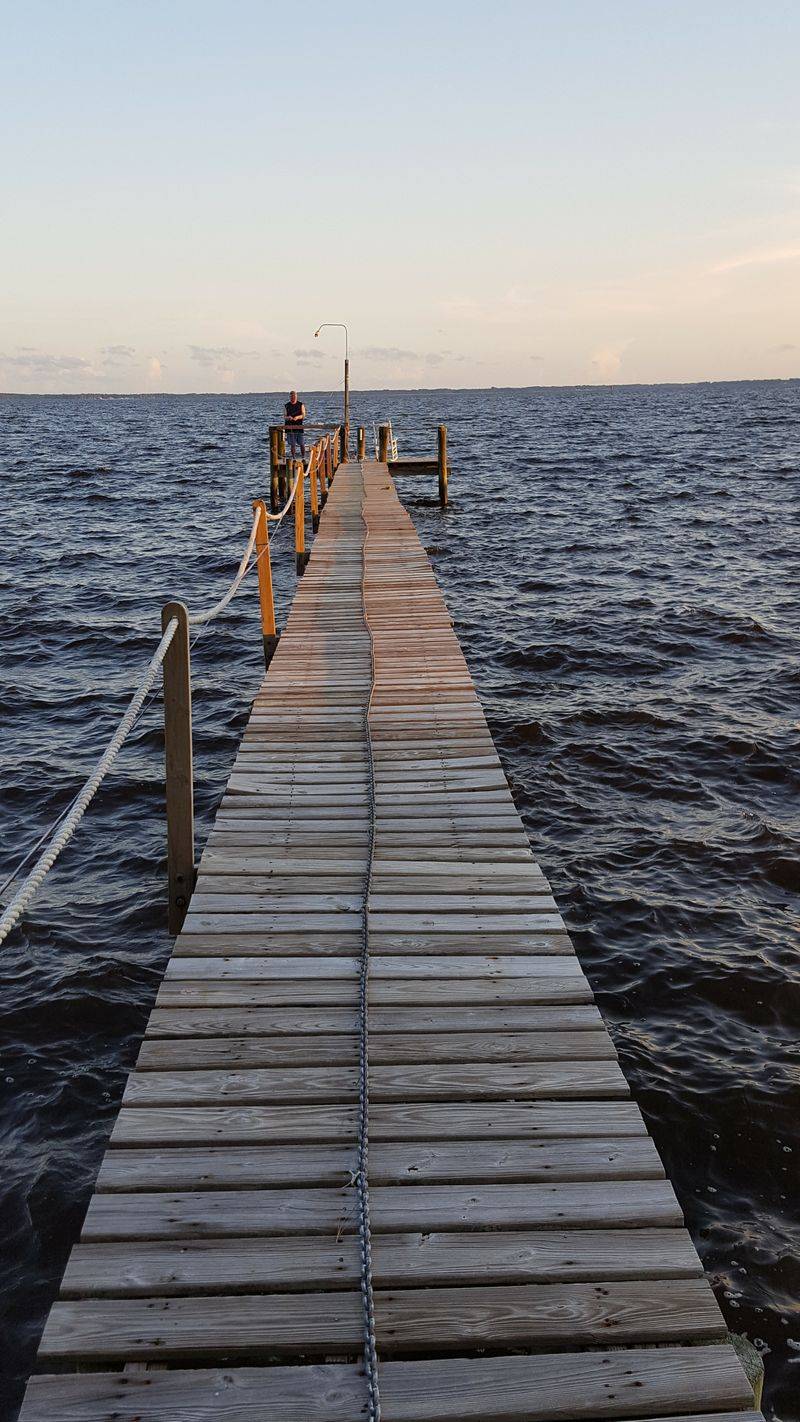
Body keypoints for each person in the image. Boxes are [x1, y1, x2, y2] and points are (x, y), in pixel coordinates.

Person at [284, 390, 306, 461]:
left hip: (299, 426)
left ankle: (303, 457)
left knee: (301, 443)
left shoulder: (301, 404)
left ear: (296, 397)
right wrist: (289, 417)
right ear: (290, 397)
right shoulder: (286, 405)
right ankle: (293, 458)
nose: (293, 398)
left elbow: (303, 415)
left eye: (294, 396)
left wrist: (297, 417)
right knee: (292, 444)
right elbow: (284, 416)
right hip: (290, 427)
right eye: (291, 397)